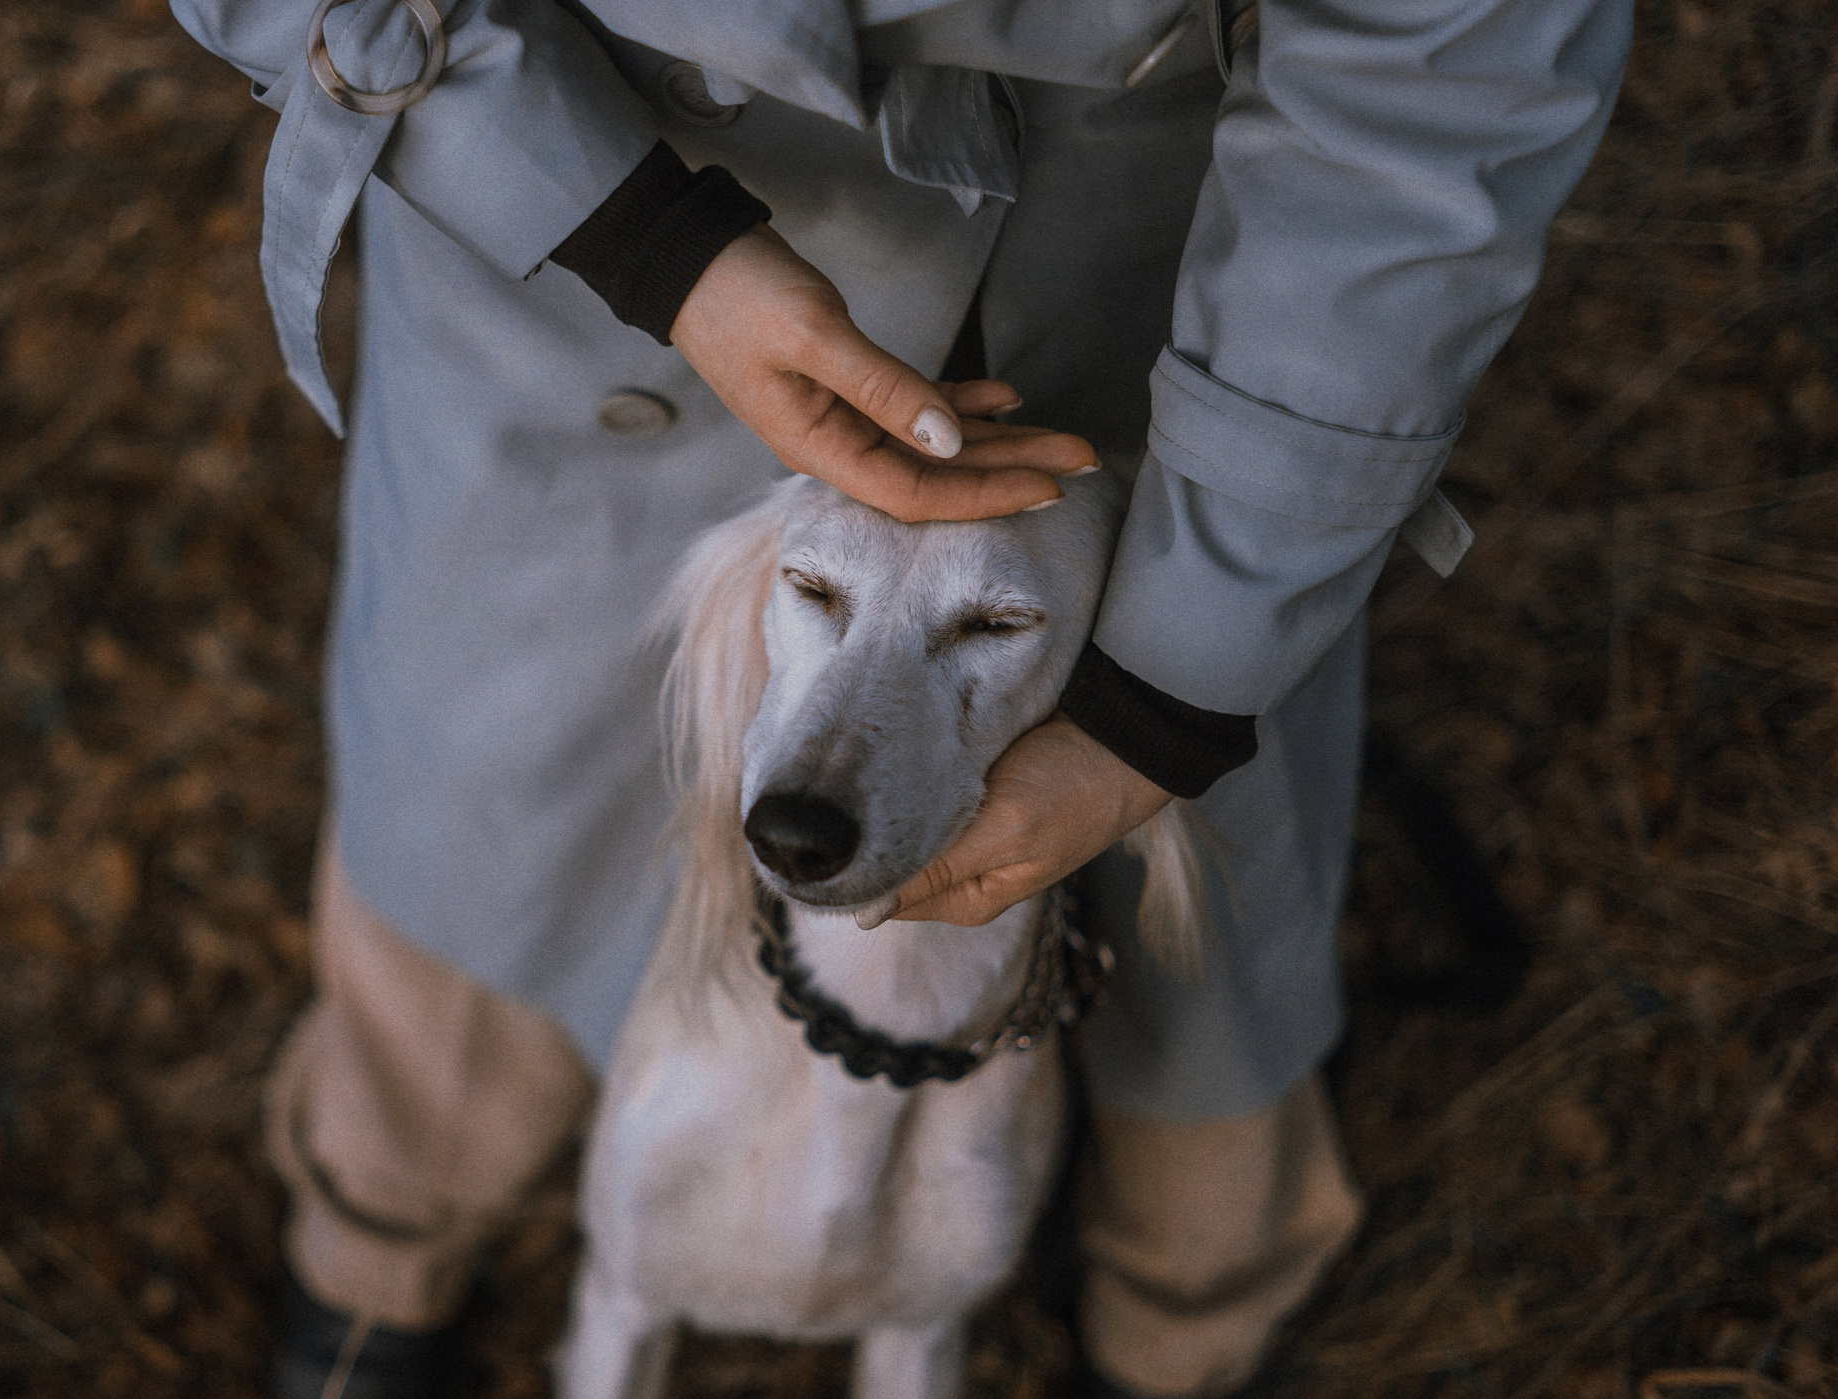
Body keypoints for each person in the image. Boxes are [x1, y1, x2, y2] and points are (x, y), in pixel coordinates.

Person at [167, 0, 1629, 1394]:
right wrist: (648, 241)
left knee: (1210, 964)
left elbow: (1451, 66)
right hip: (568, 228)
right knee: (480, 826)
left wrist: (1181, 691)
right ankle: (382, 1249)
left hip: (1177, 261)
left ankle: (1184, 1319)